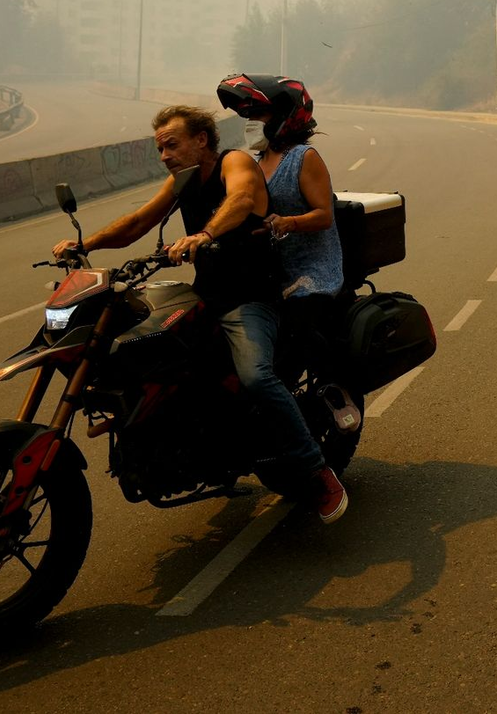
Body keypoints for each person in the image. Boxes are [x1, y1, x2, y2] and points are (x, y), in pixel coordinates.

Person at [52, 104, 348, 524]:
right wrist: (86, 246)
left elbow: (241, 199)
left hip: (250, 299)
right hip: (206, 296)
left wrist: (205, 233)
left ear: (201, 139)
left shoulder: (234, 162)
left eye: (172, 145)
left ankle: (317, 471)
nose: (165, 156)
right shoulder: (183, 180)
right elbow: (138, 221)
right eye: (160, 149)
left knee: (256, 376)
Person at [216, 75, 348, 384]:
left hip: (312, 271)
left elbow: (324, 216)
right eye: (247, 116)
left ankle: (331, 388)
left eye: (258, 115)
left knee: (290, 346)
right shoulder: (253, 163)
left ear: (285, 117)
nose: (250, 123)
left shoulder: (303, 158)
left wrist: (287, 223)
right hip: (273, 272)